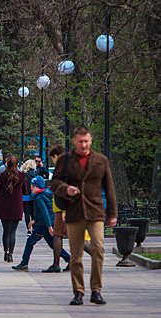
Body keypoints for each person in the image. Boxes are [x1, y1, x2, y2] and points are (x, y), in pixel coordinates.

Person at [51, 126, 117, 306]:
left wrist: (112, 214)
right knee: (76, 254)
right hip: (74, 212)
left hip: (95, 211)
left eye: (86, 141)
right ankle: (78, 292)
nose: (83, 145)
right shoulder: (65, 160)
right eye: (80, 141)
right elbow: (54, 183)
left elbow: (109, 188)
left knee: (98, 248)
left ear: (91, 140)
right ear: (74, 141)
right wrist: (66, 189)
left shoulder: (101, 160)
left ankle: (96, 290)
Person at [45, 145, 91, 273]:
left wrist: (65, 210)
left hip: (63, 207)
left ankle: (56, 264)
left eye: (53, 158)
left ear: (56, 156)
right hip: (68, 206)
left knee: (58, 235)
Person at [12, 176, 71, 271]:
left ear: (38, 187)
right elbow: (47, 211)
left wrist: (48, 227)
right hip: (47, 223)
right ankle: (69, 259)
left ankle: (24, 263)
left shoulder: (39, 197)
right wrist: (34, 220)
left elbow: (45, 213)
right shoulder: (47, 194)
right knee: (52, 244)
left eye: (33, 186)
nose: (31, 188)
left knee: (30, 242)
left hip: (43, 225)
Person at [0, 155, 26, 263]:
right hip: (16, 206)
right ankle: (11, 254)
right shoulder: (22, 176)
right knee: (12, 231)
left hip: (4, 205)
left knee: (5, 230)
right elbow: (25, 191)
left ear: (7, 164)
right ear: (18, 165)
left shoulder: (1, 176)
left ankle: (5, 252)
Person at [20, 160, 37, 236]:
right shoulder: (34, 172)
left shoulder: (22, 173)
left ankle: (28, 229)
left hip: (25, 196)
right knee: (34, 213)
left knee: (27, 214)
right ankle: (34, 228)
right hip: (33, 195)